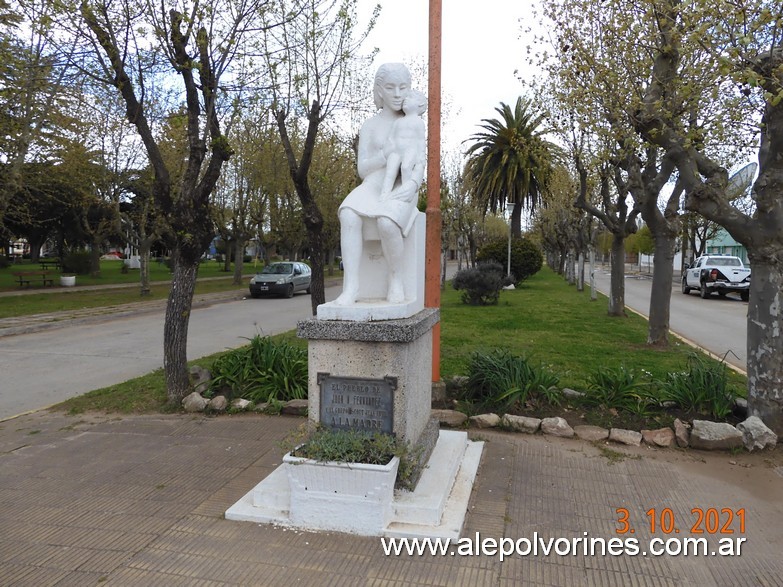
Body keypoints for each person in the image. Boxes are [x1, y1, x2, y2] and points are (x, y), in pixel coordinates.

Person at [333, 63, 425, 306]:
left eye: (402, 88)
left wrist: (413, 184)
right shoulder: (370, 126)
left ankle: (396, 280)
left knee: (386, 222)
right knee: (348, 213)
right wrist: (385, 154)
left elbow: (420, 160)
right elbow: (362, 169)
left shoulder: (414, 122)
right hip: (374, 184)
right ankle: (352, 287)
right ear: (379, 90)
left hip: (402, 184)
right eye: (390, 87)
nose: (397, 94)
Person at [380, 89, 427, 201]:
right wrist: (389, 148)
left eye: (410, 98)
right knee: (390, 172)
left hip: (410, 151)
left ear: (419, 104)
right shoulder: (398, 122)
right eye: (406, 98)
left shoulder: (418, 122)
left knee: (406, 168)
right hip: (396, 151)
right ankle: (384, 195)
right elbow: (391, 137)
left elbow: (421, 141)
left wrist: (421, 157)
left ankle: (406, 193)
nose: (405, 100)